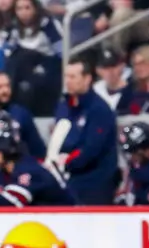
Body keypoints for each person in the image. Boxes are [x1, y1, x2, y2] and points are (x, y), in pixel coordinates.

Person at [50, 56, 118, 205]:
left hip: (94, 185)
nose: (68, 81)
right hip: (66, 180)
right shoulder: (64, 106)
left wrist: (65, 162)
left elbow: (91, 149)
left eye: (73, 77)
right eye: (66, 76)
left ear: (87, 79)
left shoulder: (99, 110)